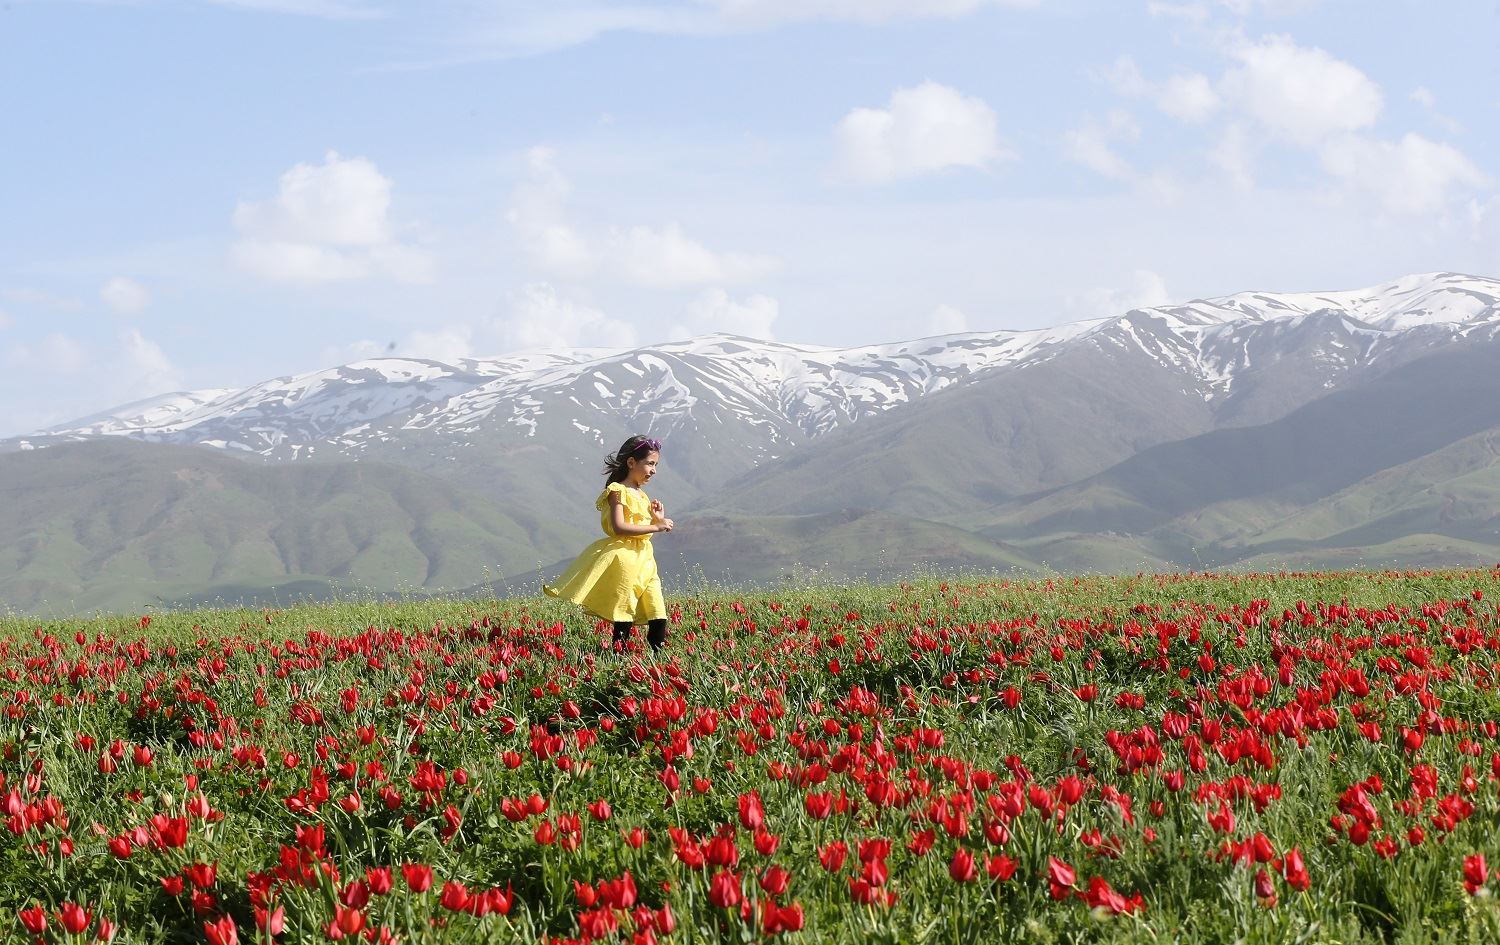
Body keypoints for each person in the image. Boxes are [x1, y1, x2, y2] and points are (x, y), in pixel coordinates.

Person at [544, 435, 674, 652]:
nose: (653, 470)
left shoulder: (642, 495)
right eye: (650, 464)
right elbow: (619, 527)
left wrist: (656, 520)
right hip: (624, 558)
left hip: (645, 559)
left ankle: (659, 658)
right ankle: (619, 656)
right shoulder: (617, 491)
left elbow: (642, 528)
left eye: (656, 465)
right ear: (631, 462)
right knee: (624, 609)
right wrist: (656, 527)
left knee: (657, 611)